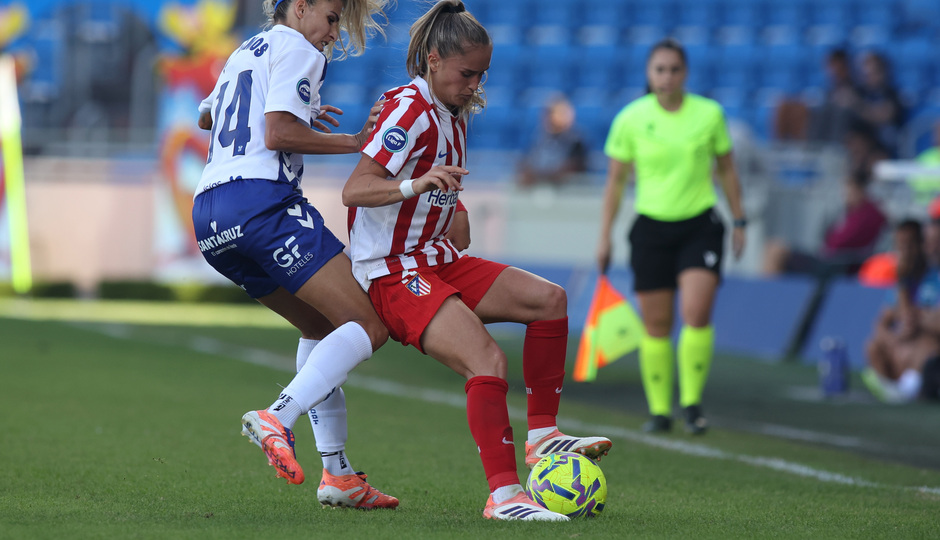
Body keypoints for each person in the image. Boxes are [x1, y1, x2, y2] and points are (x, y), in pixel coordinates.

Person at [341, 0, 612, 521]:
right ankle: (505, 496)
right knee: (486, 360)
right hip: (394, 270)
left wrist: (452, 205)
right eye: (467, 73)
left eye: (481, 75)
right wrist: (416, 185)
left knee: (549, 300)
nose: (474, 85)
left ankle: (543, 438)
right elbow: (356, 191)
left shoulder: (454, 111)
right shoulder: (408, 108)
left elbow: (437, 182)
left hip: (436, 258)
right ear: (434, 59)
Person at [192, 0, 399, 509]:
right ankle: (276, 418)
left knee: (324, 329)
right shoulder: (300, 48)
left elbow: (206, 115)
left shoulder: (245, 48)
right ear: (300, 8)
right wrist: (353, 141)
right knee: (369, 322)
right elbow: (277, 133)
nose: (332, 33)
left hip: (210, 214)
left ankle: (339, 476)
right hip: (261, 203)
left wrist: (293, 109)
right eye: (330, 19)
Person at [595, 38, 746, 435]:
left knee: (696, 314)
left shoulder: (709, 114)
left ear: (685, 73)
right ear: (649, 73)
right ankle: (660, 411)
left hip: (700, 225)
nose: (666, 77)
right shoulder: (630, 118)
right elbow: (615, 182)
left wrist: (740, 219)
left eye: (674, 69)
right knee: (656, 325)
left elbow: (728, 170)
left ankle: (692, 405)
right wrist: (604, 236)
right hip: (651, 229)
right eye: (659, 69)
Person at [863, 219, 940, 403]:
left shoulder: (934, 277)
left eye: (908, 245)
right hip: (905, 342)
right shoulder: (907, 279)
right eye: (899, 245)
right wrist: (894, 336)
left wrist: (915, 317)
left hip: (924, 346)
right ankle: (894, 388)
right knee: (874, 345)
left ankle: (913, 385)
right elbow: (883, 320)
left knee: (927, 344)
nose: (904, 252)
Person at [763, 170, 887, 277]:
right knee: (773, 246)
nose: (844, 194)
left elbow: (839, 242)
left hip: (837, 265)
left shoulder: (869, 214)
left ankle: (766, 297)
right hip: (828, 260)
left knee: (777, 251)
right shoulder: (851, 213)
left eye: (848, 189)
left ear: (859, 189)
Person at [517, 94, 589, 188]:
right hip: (539, 190)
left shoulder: (576, 141)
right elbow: (528, 162)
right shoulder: (539, 138)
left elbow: (574, 168)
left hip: (566, 192)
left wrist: (545, 175)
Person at [855, 51, 904, 157]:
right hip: (862, 141)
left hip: (884, 143)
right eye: (866, 74)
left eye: (873, 72)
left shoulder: (892, 93)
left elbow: (884, 116)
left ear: (883, 72)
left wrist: (858, 108)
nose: (869, 77)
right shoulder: (860, 92)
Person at [808, 48, 860, 145]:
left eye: (839, 68)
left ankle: (833, 149)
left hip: (845, 143)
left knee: (841, 111)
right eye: (832, 68)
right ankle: (813, 148)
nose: (835, 73)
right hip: (822, 143)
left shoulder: (858, 91)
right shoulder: (827, 92)